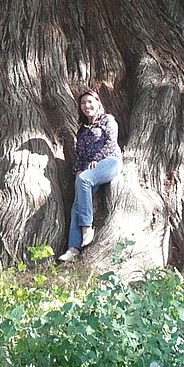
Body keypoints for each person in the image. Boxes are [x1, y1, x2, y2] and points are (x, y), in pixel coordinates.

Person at [57, 89, 122, 262]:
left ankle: (87, 227)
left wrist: (97, 159)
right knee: (77, 203)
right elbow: (81, 156)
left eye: (90, 101)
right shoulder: (82, 131)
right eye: (83, 103)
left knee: (84, 179)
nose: (87, 106)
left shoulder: (108, 120)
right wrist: (79, 169)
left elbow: (111, 142)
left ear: (98, 102)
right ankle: (73, 248)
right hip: (90, 170)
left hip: (110, 162)